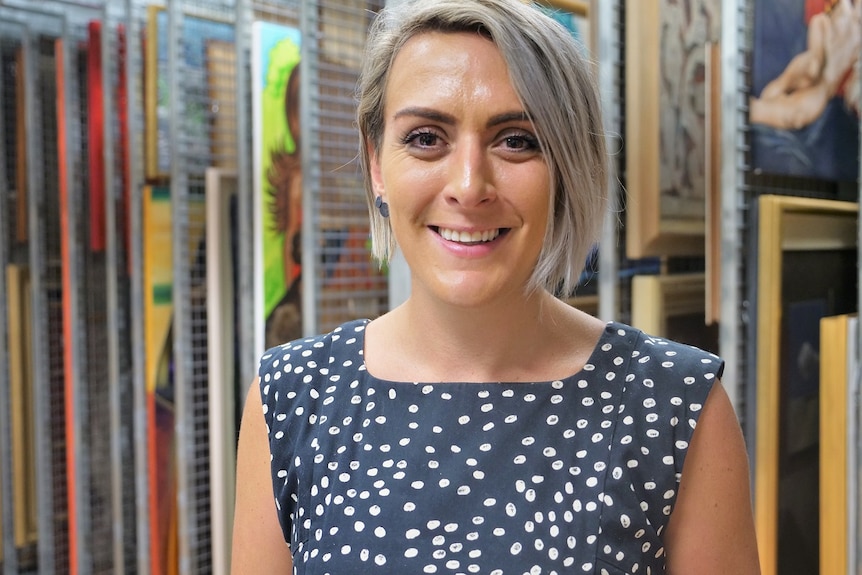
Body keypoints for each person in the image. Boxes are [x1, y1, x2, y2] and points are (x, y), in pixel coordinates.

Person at [231, 1, 761, 573]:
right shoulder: (291, 399)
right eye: (427, 137)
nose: (468, 185)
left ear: (566, 163)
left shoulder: (675, 404)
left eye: (516, 140)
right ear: (376, 162)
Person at [750, 0, 861, 129]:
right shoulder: (822, 21)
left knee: (798, 111)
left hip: (833, 81)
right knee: (812, 69)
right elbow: (814, 62)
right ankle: (770, 98)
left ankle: (760, 109)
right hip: (824, 61)